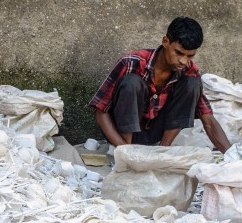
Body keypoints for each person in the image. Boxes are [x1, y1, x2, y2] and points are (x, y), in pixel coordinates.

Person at [89, 16, 232, 153]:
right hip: (124, 135)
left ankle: (163, 149)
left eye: (190, 56)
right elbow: (100, 111)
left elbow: (207, 119)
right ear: (165, 41)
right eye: (179, 53)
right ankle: (128, 149)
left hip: (156, 134)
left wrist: (232, 155)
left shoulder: (189, 70)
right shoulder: (132, 62)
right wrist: (124, 150)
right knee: (132, 82)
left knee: (192, 84)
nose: (183, 61)